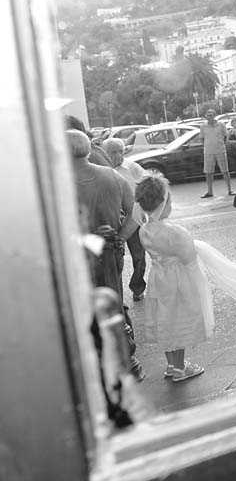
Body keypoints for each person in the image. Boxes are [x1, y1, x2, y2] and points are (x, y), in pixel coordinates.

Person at [68, 130, 144, 381]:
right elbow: (136, 214)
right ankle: (126, 360)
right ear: (89, 150)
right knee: (114, 302)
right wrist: (120, 238)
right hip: (111, 253)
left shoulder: (57, 183)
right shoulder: (111, 175)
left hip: (77, 258)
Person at [135, 174, 214, 382]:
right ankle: (180, 369)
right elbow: (188, 258)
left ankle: (171, 365)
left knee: (165, 321)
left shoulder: (143, 230)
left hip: (158, 278)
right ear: (163, 203)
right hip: (178, 281)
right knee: (178, 321)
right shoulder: (175, 232)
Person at [102, 137, 147, 301]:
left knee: (139, 256)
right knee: (114, 258)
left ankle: (137, 287)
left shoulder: (133, 168)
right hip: (112, 219)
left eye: (120, 151)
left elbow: (149, 186)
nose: (118, 155)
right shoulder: (102, 170)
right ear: (105, 153)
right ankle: (115, 293)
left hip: (133, 218)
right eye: (113, 152)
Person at [199, 108, 233, 198]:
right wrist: (207, 145)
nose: (208, 117)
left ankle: (229, 190)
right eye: (207, 115)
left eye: (210, 115)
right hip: (208, 152)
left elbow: (226, 136)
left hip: (220, 150)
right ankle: (210, 191)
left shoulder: (221, 125)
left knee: (225, 171)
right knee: (208, 172)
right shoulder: (203, 126)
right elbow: (202, 138)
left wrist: (221, 144)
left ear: (214, 116)